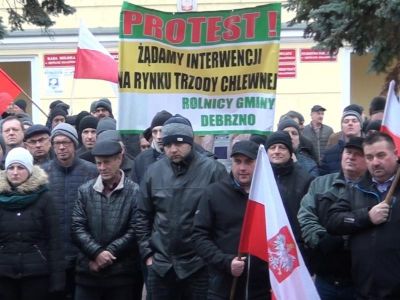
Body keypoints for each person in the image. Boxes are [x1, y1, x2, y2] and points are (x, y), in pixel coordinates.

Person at [136, 115, 227, 299]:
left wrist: (212, 257)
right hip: (160, 265)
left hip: (199, 265)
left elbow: (224, 218)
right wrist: (147, 254)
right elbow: (142, 215)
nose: (173, 150)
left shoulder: (213, 170)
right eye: (168, 145)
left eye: (178, 144)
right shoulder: (154, 171)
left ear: (190, 142)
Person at [326, 132, 400, 299]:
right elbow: (333, 221)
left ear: (395, 154)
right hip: (364, 289)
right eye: (369, 157)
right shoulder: (356, 188)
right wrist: (366, 217)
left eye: (381, 155)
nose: (375, 162)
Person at [193, 140, 270, 300]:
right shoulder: (214, 193)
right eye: (237, 161)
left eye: (248, 162)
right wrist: (226, 262)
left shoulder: (271, 196)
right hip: (223, 287)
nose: (242, 168)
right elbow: (199, 236)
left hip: (261, 287)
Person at [71, 140, 143, 300]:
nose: (102, 168)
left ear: (119, 158)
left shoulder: (134, 192)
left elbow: (135, 229)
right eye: (98, 163)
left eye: (107, 163)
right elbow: (77, 227)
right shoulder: (85, 191)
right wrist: (96, 253)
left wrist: (109, 253)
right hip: (88, 273)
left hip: (121, 275)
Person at [298, 137, 367, 300]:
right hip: (325, 276)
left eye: (358, 154)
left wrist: (345, 241)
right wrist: (320, 238)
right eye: (348, 152)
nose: (351, 157)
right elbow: (305, 214)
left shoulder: (372, 189)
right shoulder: (320, 183)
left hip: (358, 279)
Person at [0, 148, 65, 300]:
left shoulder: (44, 198)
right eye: (11, 167)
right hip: (4, 275)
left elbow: (54, 241)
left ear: (29, 170)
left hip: (36, 275)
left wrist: (57, 281)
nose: (15, 172)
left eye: (20, 167)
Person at [42, 123, 98, 299]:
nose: (61, 147)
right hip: (53, 256)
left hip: (82, 255)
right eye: (57, 142)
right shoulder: (42, 174)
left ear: (74, 144)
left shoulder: (92, 172)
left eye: (66, 142)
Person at [265, 131, 314, 269]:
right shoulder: (259, 176)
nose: (276, 151)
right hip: (265, 242)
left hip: (294, 245)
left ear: (290, 151)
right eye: (272, 148)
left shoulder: (305, 179)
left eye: (282, 147)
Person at [319, 110, 363, 175]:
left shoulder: (368, 150)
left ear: (361, 126)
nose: (350, 123)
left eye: (354, 121)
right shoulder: (329, 153)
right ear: (342, 127)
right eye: (346, 121)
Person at [134, 110, 172, 184]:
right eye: (155, 132)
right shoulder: (141, 159)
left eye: (162, 131)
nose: (159, 136)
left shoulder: (181, 155)